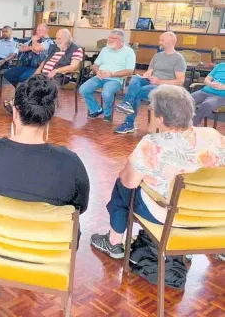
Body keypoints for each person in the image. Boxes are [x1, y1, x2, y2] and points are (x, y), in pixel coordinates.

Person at [90, 85, 225, 259]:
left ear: (160, 118)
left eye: (152, 109)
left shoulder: (152, 143)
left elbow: (128, 182)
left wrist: (144, 177)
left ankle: (114, 242)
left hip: (171, 215)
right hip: (214, 214)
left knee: (122, 184)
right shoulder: (212, 135)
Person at [0, 75, 89, 216]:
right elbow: (79, 206)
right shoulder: (70, 163)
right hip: (48, 236)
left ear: (15, 112)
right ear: (50, 114)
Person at [114, 32, 186, 134]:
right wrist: (147, 74)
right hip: (152, 81)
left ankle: (129, 122)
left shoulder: (179, 58)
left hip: (165, 87)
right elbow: (149, 71)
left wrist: (159, 81)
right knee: (135, 78)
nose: (159, 42)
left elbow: (180, 81)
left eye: (162, 40)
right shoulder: (157, 56)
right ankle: (127, 104)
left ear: (171, 42)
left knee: (137, 92)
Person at [79, 29, 136, 122]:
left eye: (111, 38)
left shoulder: (129, 52)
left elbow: (130, 71)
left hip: (115, 79)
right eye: (109, 37)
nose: (108, 40)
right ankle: (96, 109)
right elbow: (95, 65)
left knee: (106, 93)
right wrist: (97, 72)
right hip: (100, 76)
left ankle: (107, 113)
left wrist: (112, 74)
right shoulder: (105, 49)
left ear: (119, 40)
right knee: (83, 89)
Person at [4, 23, 53, 88]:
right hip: (25, 64)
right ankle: (20, 89)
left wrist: (33, 42)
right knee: (8, 74)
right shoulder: (33, 39)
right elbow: (19, 48)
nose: (37, 32)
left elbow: (37, 49)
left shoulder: (48, 42)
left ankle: (23, 91)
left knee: (23, 78)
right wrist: (30, 47)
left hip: (37, 67)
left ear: (46, 31)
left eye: (40, 30)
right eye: (37, 30)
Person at [191, 61, 225, 126]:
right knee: (186, 100)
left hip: (221, 95)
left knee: (207, 104)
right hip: (206, 91)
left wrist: (223, 87)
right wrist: (211, 84)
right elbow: (207, 79)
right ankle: (177, 122)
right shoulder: (220, 65)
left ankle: (191, 124)